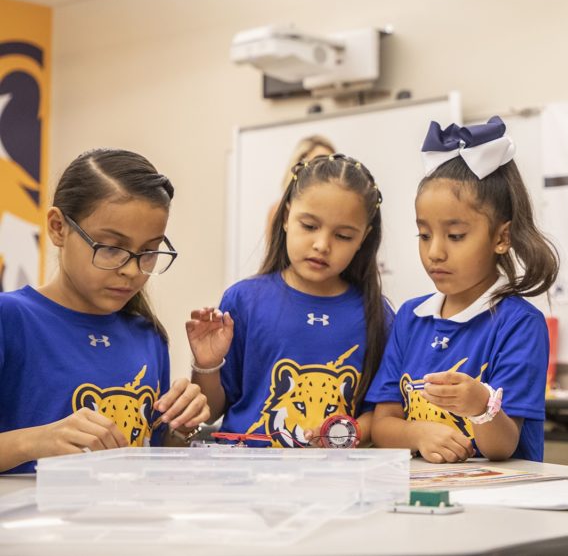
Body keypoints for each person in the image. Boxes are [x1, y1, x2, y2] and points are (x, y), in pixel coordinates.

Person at [0, 149, 210, 473]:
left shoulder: (147, 335)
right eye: (112, 248)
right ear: (58, 228)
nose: (131, 270)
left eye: (149, 252)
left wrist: (181, 428)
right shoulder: (11, 318)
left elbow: (151, 456)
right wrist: (35, 441)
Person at [367, 117, 559, 463]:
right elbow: (382, 426)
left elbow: (502, 447)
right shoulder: (410, 318)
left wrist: (480, 406)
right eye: (424, 235)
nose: (435, 251)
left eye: (455, 236)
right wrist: (418, 433)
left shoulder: (519, 323)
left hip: (499, 503)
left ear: (501, 238)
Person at [186, 152, 391, 448]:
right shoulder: (244, 299)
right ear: (285, 217)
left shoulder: (376, 314)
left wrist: (343, 434)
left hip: (335, 480)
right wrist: (207, 364)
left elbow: (381, 414)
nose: (322, 245)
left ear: (363, 238)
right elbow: (212, 410)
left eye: (344, 236)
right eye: (309, 226)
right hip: (247, 479)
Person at [265, 135, 336, 239]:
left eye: (332, 164)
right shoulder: (279, 209)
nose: (326, 170)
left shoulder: (337, 209)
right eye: (320, 164)